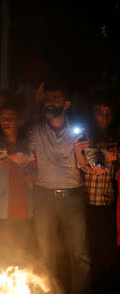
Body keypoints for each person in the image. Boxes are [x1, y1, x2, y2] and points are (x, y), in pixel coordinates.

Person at [28, 83, 103, 294]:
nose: (50, 102)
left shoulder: (79, 130)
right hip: (44, 196)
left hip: (72, 196)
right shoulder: (37, 130)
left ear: (67, 104)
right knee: (45, 252)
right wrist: (24, 164)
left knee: (79, 254)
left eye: (56, 98)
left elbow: (91, 162)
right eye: (48, 98)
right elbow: (27, 153)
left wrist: (94, 165)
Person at [73, 92, 118, 293]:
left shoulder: (115, 138)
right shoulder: (86, 137)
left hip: (108, 202)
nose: (104, 117)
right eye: (100, 112)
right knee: (87, 249)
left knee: (106, 250)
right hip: (87, 202)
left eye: (108, 112)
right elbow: (82, 164)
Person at [0, 103, 35, 268]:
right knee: (4, 258)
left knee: (24, 257)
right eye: (3, 118)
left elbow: (39, 173)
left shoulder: (28, 146)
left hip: (27, 210)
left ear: (19, 122)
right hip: (2, 211)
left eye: (10, 118)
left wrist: (32, 176)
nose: (5, 121)